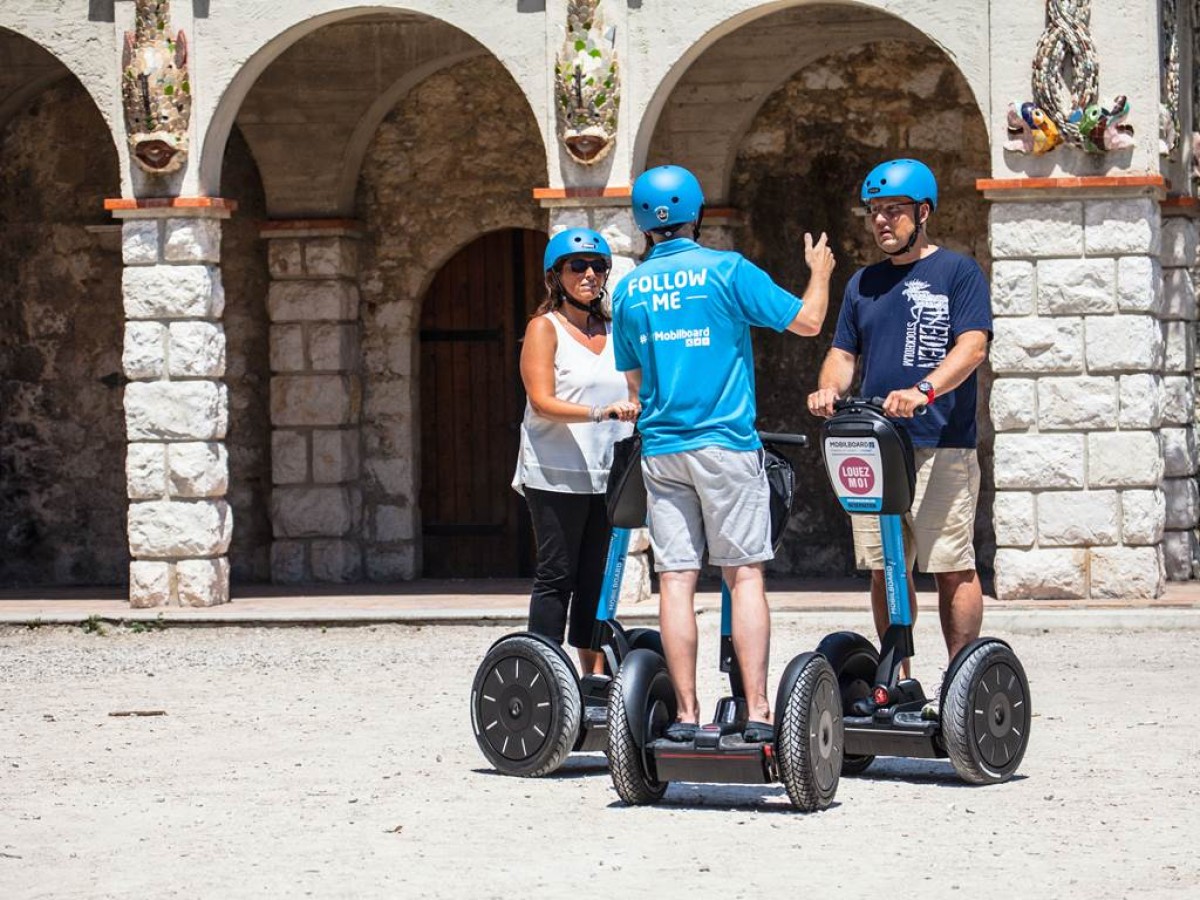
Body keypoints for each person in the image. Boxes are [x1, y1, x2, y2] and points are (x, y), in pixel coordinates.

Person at [611, 164, 836, 743]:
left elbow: (635, 386)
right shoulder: (725, 270)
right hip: (725, 444)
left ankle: (686, 716)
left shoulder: (629, 290)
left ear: (643, 223)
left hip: (663, 448)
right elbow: (809, 322)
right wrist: (819, 273)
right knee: (744, 574)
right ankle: (757, 710)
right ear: (697, 214)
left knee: (676, 580)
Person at [806, 158, 992, 715]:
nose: (882, 221)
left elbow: (973, 346)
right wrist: (828, 389)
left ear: (923, 212)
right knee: (885, 567)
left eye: (894, 210)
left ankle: (960, 684)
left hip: (940, 443)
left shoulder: (958, 272)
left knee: (951, 564)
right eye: (875, 211)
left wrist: (924, 390)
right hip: (875, 447)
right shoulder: (863, 283)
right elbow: (843, 354)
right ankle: (898, 682)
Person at [513, 228, 641, 676]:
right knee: (556, 575)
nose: (589, 274)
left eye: (598, 266)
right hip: (555, 472)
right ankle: (544, 677)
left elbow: (638, 391)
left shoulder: (616, 331)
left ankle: (595, 678)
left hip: (609, 474)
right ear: (556, 275)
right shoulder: (544, 328)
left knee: (596, 580)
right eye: (578, 266)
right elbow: (541, 402)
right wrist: (600, 412)